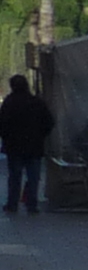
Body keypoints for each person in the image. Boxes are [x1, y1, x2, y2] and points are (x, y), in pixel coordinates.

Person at [0, 75, 48, 215]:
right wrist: (40, 135)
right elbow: (48, 122)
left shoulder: (9, 103)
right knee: (33, 178)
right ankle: (32, 205)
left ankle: (12, 204)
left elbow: (2, 124)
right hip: (34, 146)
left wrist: (7, 138)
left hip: (14, 147)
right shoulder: (36, 102)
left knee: (15, 177)